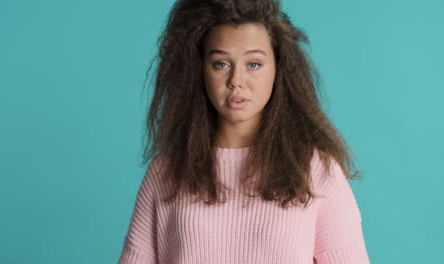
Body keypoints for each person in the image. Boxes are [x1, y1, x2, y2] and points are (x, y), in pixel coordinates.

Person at [117, 0, 371, 263]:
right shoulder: (165, 172)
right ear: (199, 71)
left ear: (279, 69)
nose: (236, 81)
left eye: (253, 64)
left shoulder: (317, 171)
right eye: (221, 64)